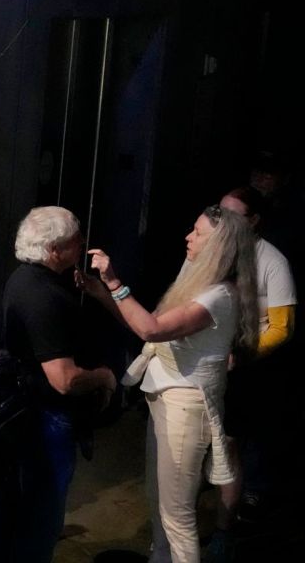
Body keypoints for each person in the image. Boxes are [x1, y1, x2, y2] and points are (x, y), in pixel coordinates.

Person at [86, 205, 258, 563]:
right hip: (165, 398)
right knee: (160, 505)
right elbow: (145, 323)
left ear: (218, 246)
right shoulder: (198, 280)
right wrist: (101, 292)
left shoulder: (218, 297)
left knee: (177, 517)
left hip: (186, 407)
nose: (188, 237)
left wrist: (115, 282)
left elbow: (151, 329)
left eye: (197, 233)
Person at [0, 206, 117, 563]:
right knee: (39, 520)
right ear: (55, 250)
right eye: (77, 241)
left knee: (9, 511)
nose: (84, 245)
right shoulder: (42, 296)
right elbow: (64, 379)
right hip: (45, 422)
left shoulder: (25, 279)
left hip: (22, 413)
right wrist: (104, 377)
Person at [214, 187, 296, 539]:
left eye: (232, 216)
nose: (222, 222)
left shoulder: (272, 261)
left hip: (247, 364)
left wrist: (244, 353)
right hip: (210, 359)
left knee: (236, 438)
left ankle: (232, 518)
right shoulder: (210, 248)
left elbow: (282, 327)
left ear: (254, 220)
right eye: (219, 213)